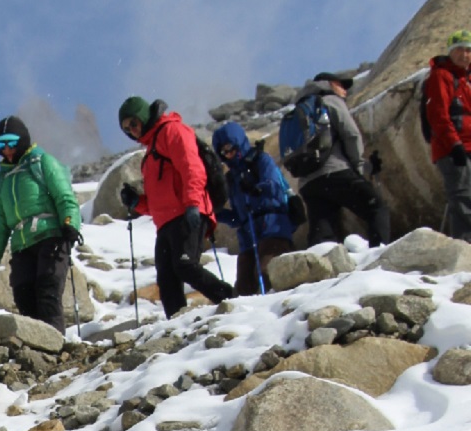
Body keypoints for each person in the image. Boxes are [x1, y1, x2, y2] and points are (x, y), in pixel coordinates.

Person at [117, 97, 235, 318]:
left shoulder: (172, 131)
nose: (132, 131)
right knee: (167, 279)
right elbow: (158, 202)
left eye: (134, 123)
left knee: (185, 266)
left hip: (188, 213)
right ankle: (177, 323)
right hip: (166, 223)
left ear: (143, 116)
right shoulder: (150, 150)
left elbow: (192, 168)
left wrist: (192, 203)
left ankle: (229, 298)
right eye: (126, 129)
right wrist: (137, 202)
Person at [0, 116, 82, 331]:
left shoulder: (42, 162)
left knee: (47, 291)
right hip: (22, 246)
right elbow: (0, 226)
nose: (6, 149)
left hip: (51, 236)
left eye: (11, 142)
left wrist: (70, 223)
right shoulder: (2, 181)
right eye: (1, 144)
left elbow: (65, 197)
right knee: (24, 298)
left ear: (22, 140)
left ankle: (56, 348)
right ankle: (38, 352)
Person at [294, 72, 391, 247]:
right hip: (335, 173)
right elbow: (350, 134)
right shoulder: (330, 100)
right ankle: (380, 258)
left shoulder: (300, 109)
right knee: (376, 208)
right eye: (341, 85)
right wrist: (360, 167)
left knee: (322, 232)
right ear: (329, 84)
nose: (345, 91)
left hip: (308, 183)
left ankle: (319, 269)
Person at [211, 122, 296, 296]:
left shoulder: (260, 160)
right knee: (243, 287)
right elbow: (238, 217)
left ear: (239, 143)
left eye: (230, 148)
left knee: (267, 273)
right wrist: (216, 214)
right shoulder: (232, 177)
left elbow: (274, 187)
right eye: (223, 152)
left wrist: (257, 188)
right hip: (248, 237)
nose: (228, 155)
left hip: (272, 227)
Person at [426, 30, 471, 242]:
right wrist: (454, 144)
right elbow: (438, 113)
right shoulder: (441, 75)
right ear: (451, 52)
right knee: (463, 198)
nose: (465, 55)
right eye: (460, 49)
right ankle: (466, 248)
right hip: (454, 149)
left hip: (466, 146)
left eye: (469, 50)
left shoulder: (465, 79)